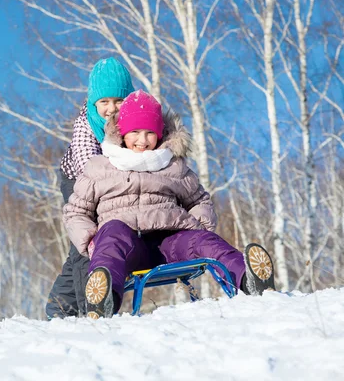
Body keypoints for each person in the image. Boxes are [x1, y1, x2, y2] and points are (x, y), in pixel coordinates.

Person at [63, 90, 276, 319]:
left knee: (203, 241)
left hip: (171, 241)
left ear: (160, 134)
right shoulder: (100, 167)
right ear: (122, 132)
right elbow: (76, 212)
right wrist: (91, 241)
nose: (142, 141)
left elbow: (199, 199)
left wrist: (199, 226)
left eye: (149, 133)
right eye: (135, 132)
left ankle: (250, 279)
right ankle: (104, 301)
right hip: (128, 247)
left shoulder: (172, 165)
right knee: (112, 235)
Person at [46, 57, 181, 319]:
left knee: (104, 241)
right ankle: (91, 310)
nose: (110, 108)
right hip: (81, 181)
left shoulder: (134, 121)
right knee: (88, 241)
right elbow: (93, 175)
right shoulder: (85, 128)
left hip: (115, 180)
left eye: (118, 101)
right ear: (93, 102)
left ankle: (59, 307)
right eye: (104, 102)